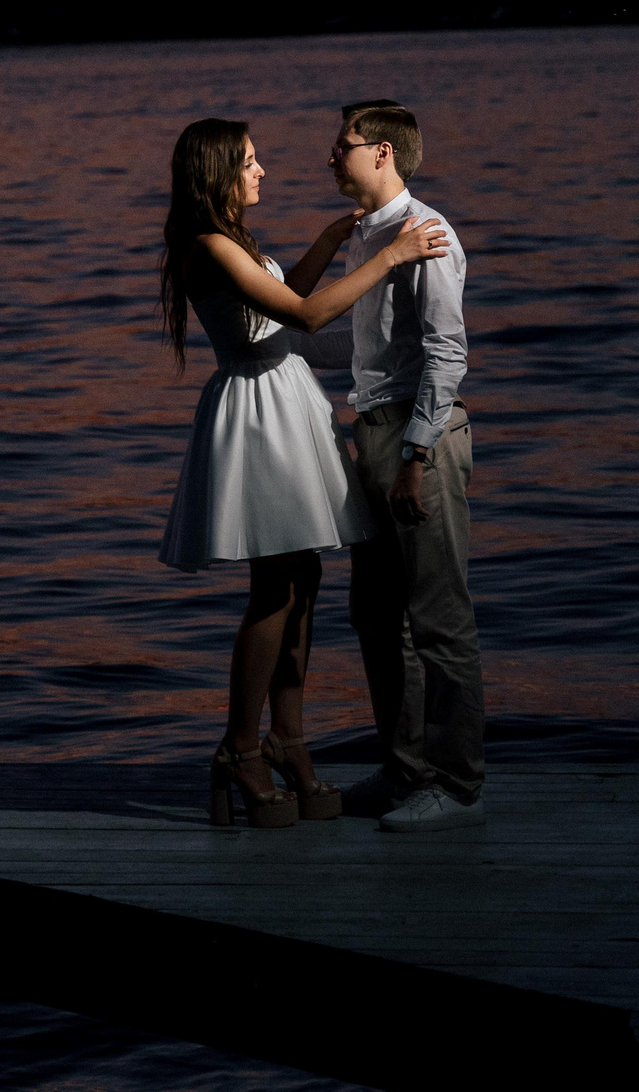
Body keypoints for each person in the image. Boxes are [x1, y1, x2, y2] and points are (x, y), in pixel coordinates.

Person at [157, 118, 452, 829]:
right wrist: (390, 255)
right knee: (273, 588)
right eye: (251, 162)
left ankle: (288, 737)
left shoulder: (236, 244)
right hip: (258, 413)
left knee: (304, 580)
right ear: (219, 171)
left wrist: (326, 241)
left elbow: (281, 305)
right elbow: (307, 313)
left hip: (284, 399)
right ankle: (239, 745)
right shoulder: (210, 247)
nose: (262, 172)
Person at [328, 100, 482, 832]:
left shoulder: (429, 232)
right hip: (373, 434)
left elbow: (446, 354)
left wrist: (416, 457)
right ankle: (404, 767)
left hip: (420, 440)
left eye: (344, 144)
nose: (333, 156)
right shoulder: (366, 235)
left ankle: (453, 782)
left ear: (382, 152)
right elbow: (366, 342)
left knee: (438, 618)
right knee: (377, 613)